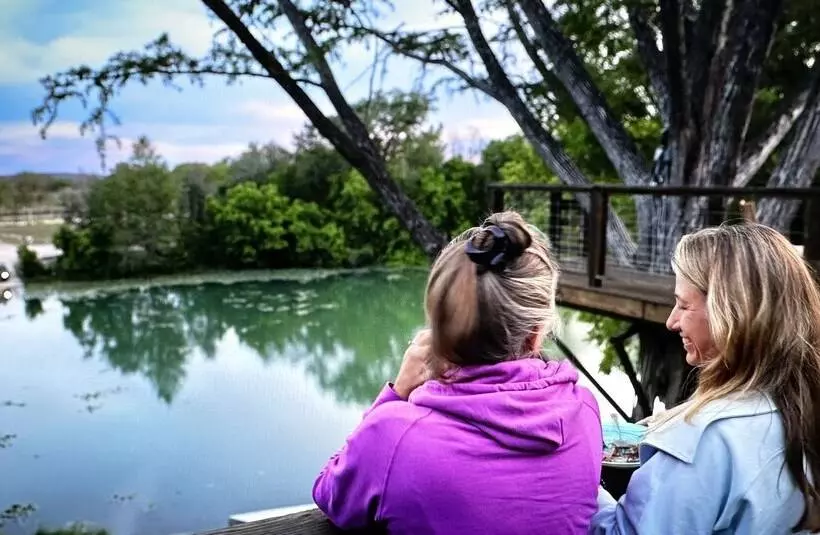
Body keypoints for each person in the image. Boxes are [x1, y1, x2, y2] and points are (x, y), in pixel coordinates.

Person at [312, 211, 603, 534]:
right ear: (535, 333)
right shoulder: (584, 410)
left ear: (438, 325)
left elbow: (331, 494)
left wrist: (397, 393)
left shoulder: (394, 436)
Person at [589, 223, 820, 534]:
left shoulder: (701, 441)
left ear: (732, 314)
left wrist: (578, 481)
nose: (671, 321)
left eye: (684, 305)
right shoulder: (801, 404)